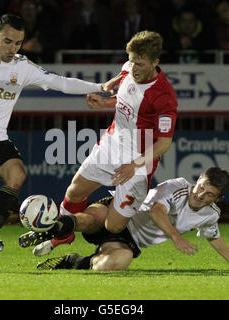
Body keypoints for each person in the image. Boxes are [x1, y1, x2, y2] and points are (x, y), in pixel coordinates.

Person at [0, 14, 115, 272]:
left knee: (17, 174)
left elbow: (60, 82)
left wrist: (100, 85)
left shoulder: (22, 66)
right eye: (7, 41)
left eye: (18, 43)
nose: (12, 48)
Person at [33, 30, 178, 257]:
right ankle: (63, 235)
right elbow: (123, 95)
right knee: (74, 192)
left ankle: (115, 233)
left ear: (155, 62)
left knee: (113, 226)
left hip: (138, 160)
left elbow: (164, 143)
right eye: (131, 62)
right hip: (112, 143)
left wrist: (134, 164)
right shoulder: (129, 68)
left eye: (140, 64)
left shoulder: (163, 95)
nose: (134, 68)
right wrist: (104, 102)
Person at [19, 167, 229, 271]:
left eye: (208, 194)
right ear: (199, 179)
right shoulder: (177, 187)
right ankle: (51, 229)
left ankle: (74, 261)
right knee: (91, 218)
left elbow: (215, 238)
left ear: (218, 198)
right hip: (120, 213)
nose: (199, 194)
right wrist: (176, 237)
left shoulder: (211, 214)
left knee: (118, 262)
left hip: (127, 240)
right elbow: (156, 211)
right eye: (200, 187)